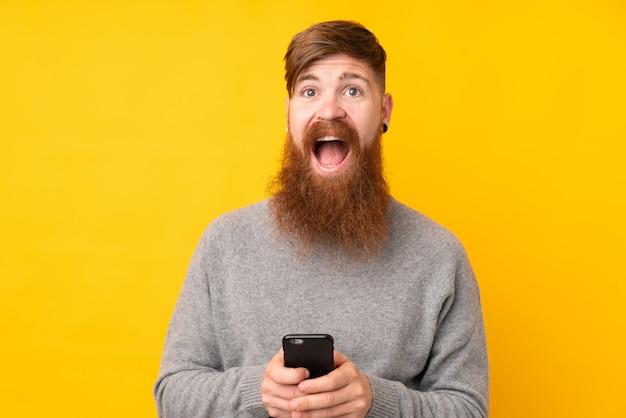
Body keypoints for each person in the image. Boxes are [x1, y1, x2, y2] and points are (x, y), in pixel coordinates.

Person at [154, 20, 489, 417]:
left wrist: (375, 401)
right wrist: (256, 391)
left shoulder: (439, 256)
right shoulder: (224, 243)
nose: (330, 109)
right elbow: (171, 396)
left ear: (384, 111)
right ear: (289, 113)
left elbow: (469, 410)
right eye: (310, 91)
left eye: (352, 90)